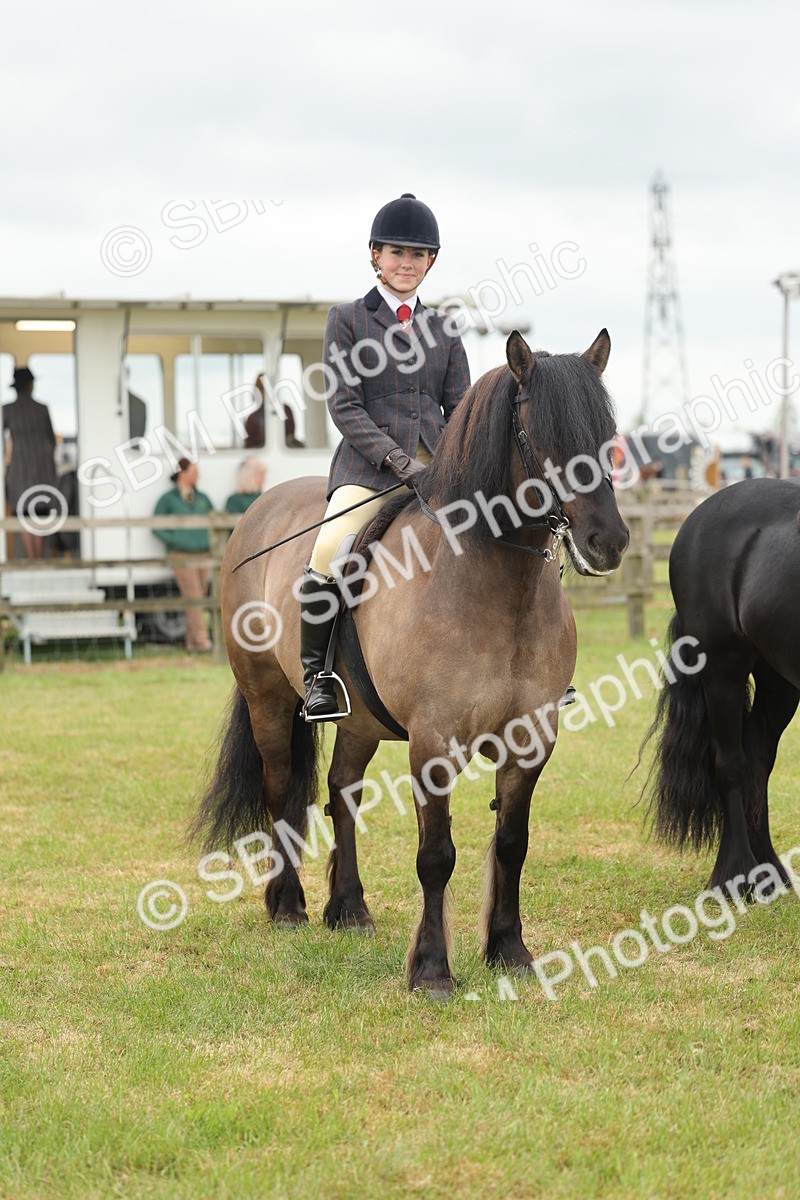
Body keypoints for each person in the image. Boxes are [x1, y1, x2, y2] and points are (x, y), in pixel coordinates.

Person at [299, 193, 471, 721]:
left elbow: (460, 406)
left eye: (418, 255)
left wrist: (456, 462)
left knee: (510, 529)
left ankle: (533, 665)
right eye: (397, 252)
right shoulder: (349, 319)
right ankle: (319, 677)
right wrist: (401, 463)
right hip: (369, 470)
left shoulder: (443, 329)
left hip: (440, 468)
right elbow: (345, 406)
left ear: (431, 262)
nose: (406, 263)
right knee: (330, 547)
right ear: (375, 255)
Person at [153, 458, 214, 652]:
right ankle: (203, 641)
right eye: (194, 471)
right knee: (194, 595)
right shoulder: (168, 499)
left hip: (203, 553)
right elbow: (156, 525)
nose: (198, 475)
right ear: (182, 473)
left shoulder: (203, 498)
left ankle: (192, 641)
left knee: (199, 596)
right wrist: (174, 540)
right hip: (181, 555)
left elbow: (214, 519)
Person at [2, 366, 60, 559]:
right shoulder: (42, 409)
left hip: (19, 471)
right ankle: (38, 559)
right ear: (30, 385)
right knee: (40, 513)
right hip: (43, 470)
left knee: (23, 514)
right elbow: (51, 440)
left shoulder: (7, 410)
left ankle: (31, 559)